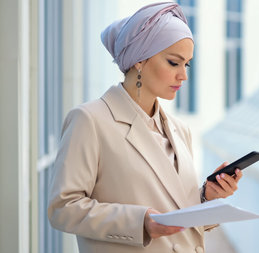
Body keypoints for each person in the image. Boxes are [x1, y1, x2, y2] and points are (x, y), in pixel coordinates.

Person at [47, 2, 242, 253]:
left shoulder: (181, 131)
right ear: (140, 60)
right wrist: (140, 223)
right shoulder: (90, 120)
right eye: (174, 63)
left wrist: (207, 197)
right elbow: (63, 208)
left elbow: (179, 220)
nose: (183, 75)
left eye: (187, 64)